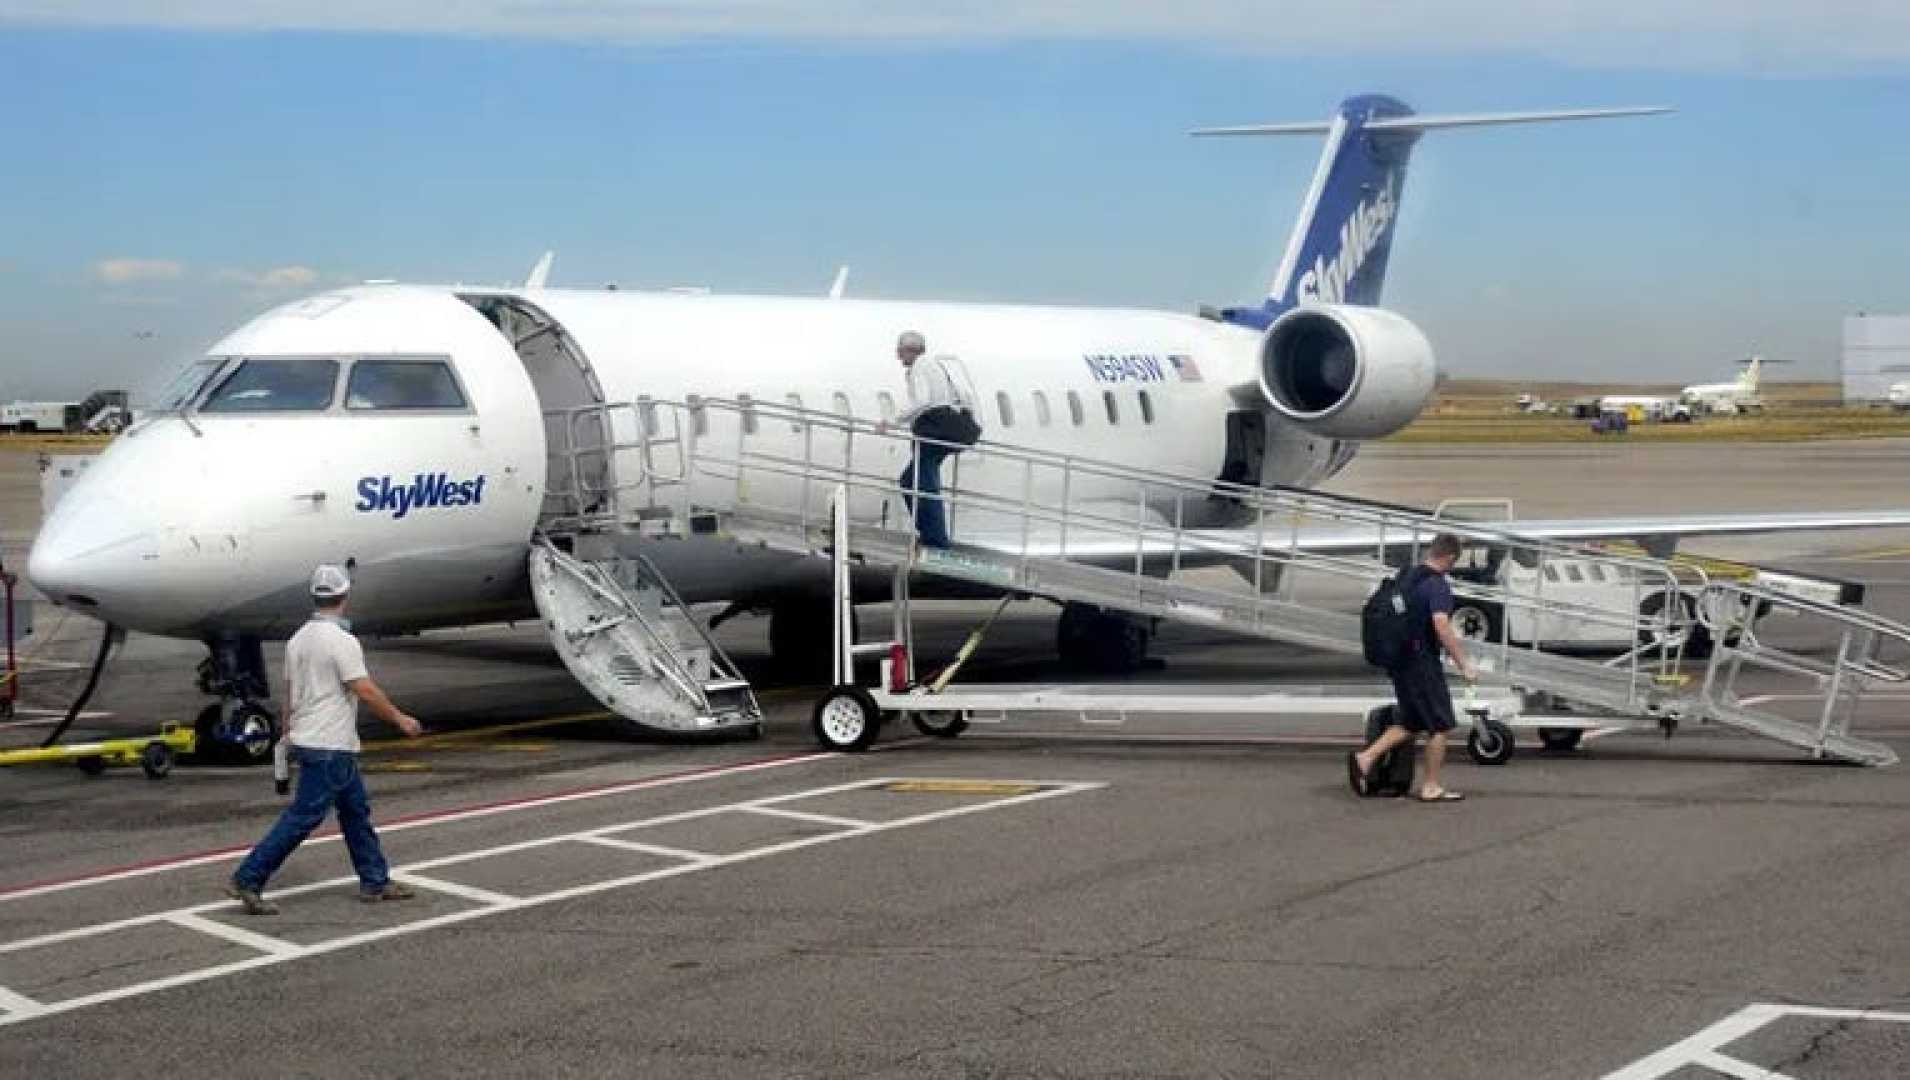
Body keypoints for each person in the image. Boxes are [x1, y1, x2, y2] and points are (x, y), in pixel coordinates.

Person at [226, 564, 424, 915]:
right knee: (304, 816)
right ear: (344, 596)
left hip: (316, 738)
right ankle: (249, 876)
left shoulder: (298, 639)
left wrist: (287, 735)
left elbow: (289, 693)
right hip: (329, 742)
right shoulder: (342, 642)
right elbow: (362, 688)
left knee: (355, 811)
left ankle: (375, 880)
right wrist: (399, 718)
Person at [1350, 533, 1478, 802]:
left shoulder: (1407, 577)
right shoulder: (1437, 585)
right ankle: (1431, 786)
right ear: (1451, 558)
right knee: (1440, 725)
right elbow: (1441, 625)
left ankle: (1366, 757)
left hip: (1400, 662)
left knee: (1412, 720)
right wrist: (1463, 664)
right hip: (1422, 664)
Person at [886, 330, 974, 548]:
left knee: (919, 483)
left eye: (901, 352)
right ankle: (931, 534)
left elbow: (923, 400)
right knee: (918, 480)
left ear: (909, 351)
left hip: (933, 430)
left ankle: (935, 539)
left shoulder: (919, 368)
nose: (899, 357)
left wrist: (893, 420)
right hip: (943, 429)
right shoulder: (933, 365)